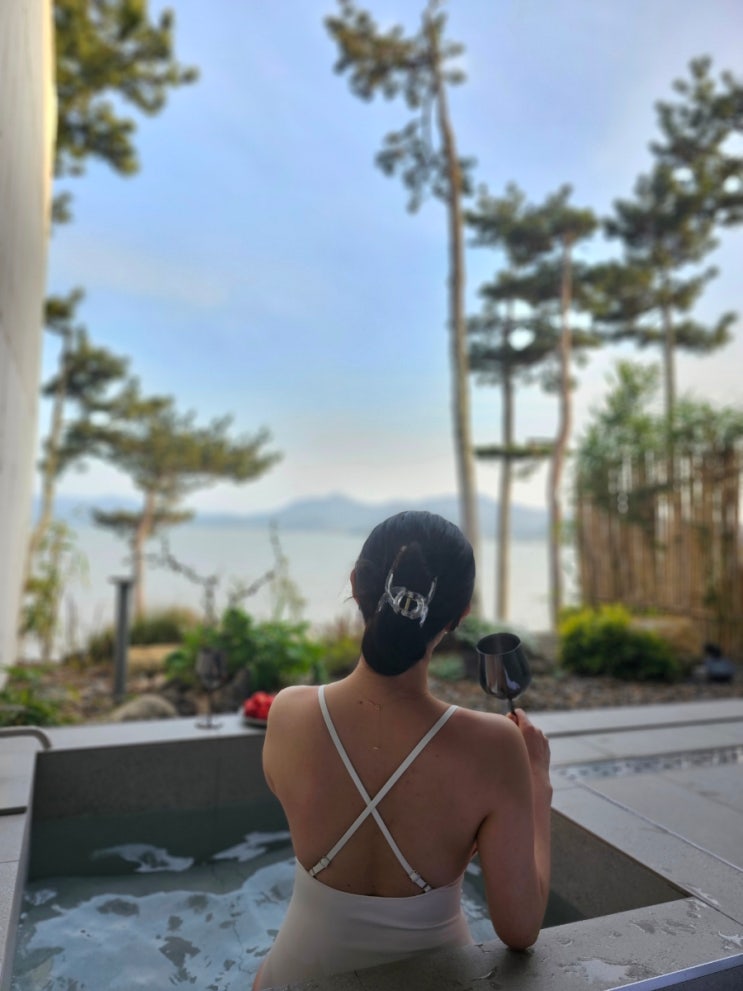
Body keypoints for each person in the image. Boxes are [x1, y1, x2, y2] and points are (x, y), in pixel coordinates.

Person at [253, 511, 552, 990]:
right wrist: (536, 781)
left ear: (356, 584)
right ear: (459, 616)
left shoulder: (289, 713)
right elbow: (521, 929)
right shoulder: (495, 747)